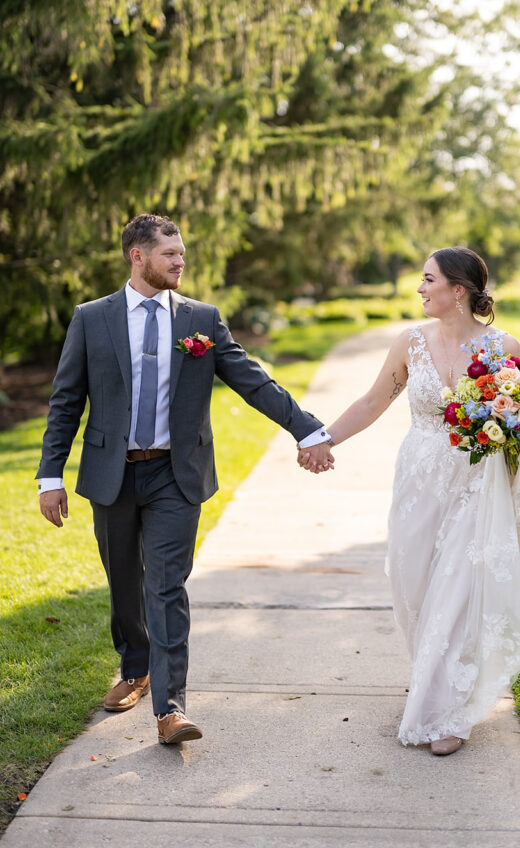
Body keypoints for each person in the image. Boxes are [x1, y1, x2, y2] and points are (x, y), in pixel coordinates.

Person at [37, 214, 335, 745]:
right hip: (112, 474)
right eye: (169, 254)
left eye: (181, 253)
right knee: (124, 580)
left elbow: (252, 381)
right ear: (138, 256)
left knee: (166, 585)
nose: (180, 262)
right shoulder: (92, 318)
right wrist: (48, 476)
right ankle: (135, 666)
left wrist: (307, 430)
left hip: (177, 474)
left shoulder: (201, 318)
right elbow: (66, 402)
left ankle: (170, 709)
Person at [299, 246, 520, 756]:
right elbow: (372, 402)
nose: (420, 288)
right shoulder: (410, 343)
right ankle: (436, 679)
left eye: (428, 279)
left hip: (480, 485)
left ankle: (449, 713)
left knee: (459, 589)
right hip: (419, 481)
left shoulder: (505, 347)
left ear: (458, 291)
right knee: (415, 587)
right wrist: (321, 437)